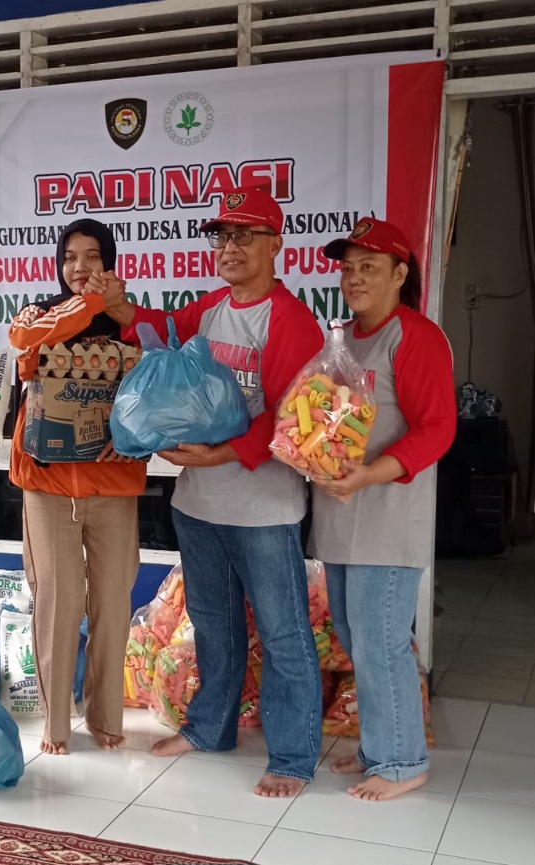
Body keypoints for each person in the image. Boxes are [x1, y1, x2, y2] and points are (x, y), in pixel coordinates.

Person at [92, 188, 324, 797]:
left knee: (282, 633)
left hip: (264, 510)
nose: (230, 248)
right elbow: (161, 335)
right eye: (222, 236)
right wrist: (120, 308)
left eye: (246, 235)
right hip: (197, 504)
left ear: (277, 245)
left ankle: (294, 755)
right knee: (213, 622)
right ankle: (209, 728)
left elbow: (292, 417)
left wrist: (223, 451)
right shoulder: (211, 308)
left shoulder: (292, 323)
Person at [308, 217, 456, 801]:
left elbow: (438, 428)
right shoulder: (342, 338)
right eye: (348, 267)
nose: (355, 276)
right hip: (343, 516)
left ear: (401, 274)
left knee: (381, 640)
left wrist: (369, 472)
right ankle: (378, 745)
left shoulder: (414, 335)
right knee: (356, 635)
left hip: (389, 517)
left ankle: (401, 762)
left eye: (370, 265)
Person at [9, 218, 146, 756]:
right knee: (59, 603)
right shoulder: (38, 313)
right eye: (70, 257)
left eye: (93, 257)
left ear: (110, 262)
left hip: (113, 483)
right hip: (47, 485)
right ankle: (56, 722)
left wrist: (113, 311)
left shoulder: (130, 323)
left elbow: (161, 374)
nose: (81, 267)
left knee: (112, 604)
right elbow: (24, 347)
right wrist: (88, 305)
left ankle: (106, 717)